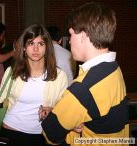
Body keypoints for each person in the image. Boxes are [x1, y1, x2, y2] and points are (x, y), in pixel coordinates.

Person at [41, 2, 129, 146]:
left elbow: (50, 133)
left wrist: (54, 117)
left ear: (83, 35)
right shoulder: (113, 68)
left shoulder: (83, 88)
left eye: (70, 34)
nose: (69, 41)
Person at [0, 24, 68, 146]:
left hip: (41, 136)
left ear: (47, 48)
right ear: (23, 48)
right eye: (31, 43)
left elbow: (63, 108)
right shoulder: (12, 72)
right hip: (11, 131)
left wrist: (51, 111)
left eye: (41, 44)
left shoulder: (59, 76)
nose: (36, 49)